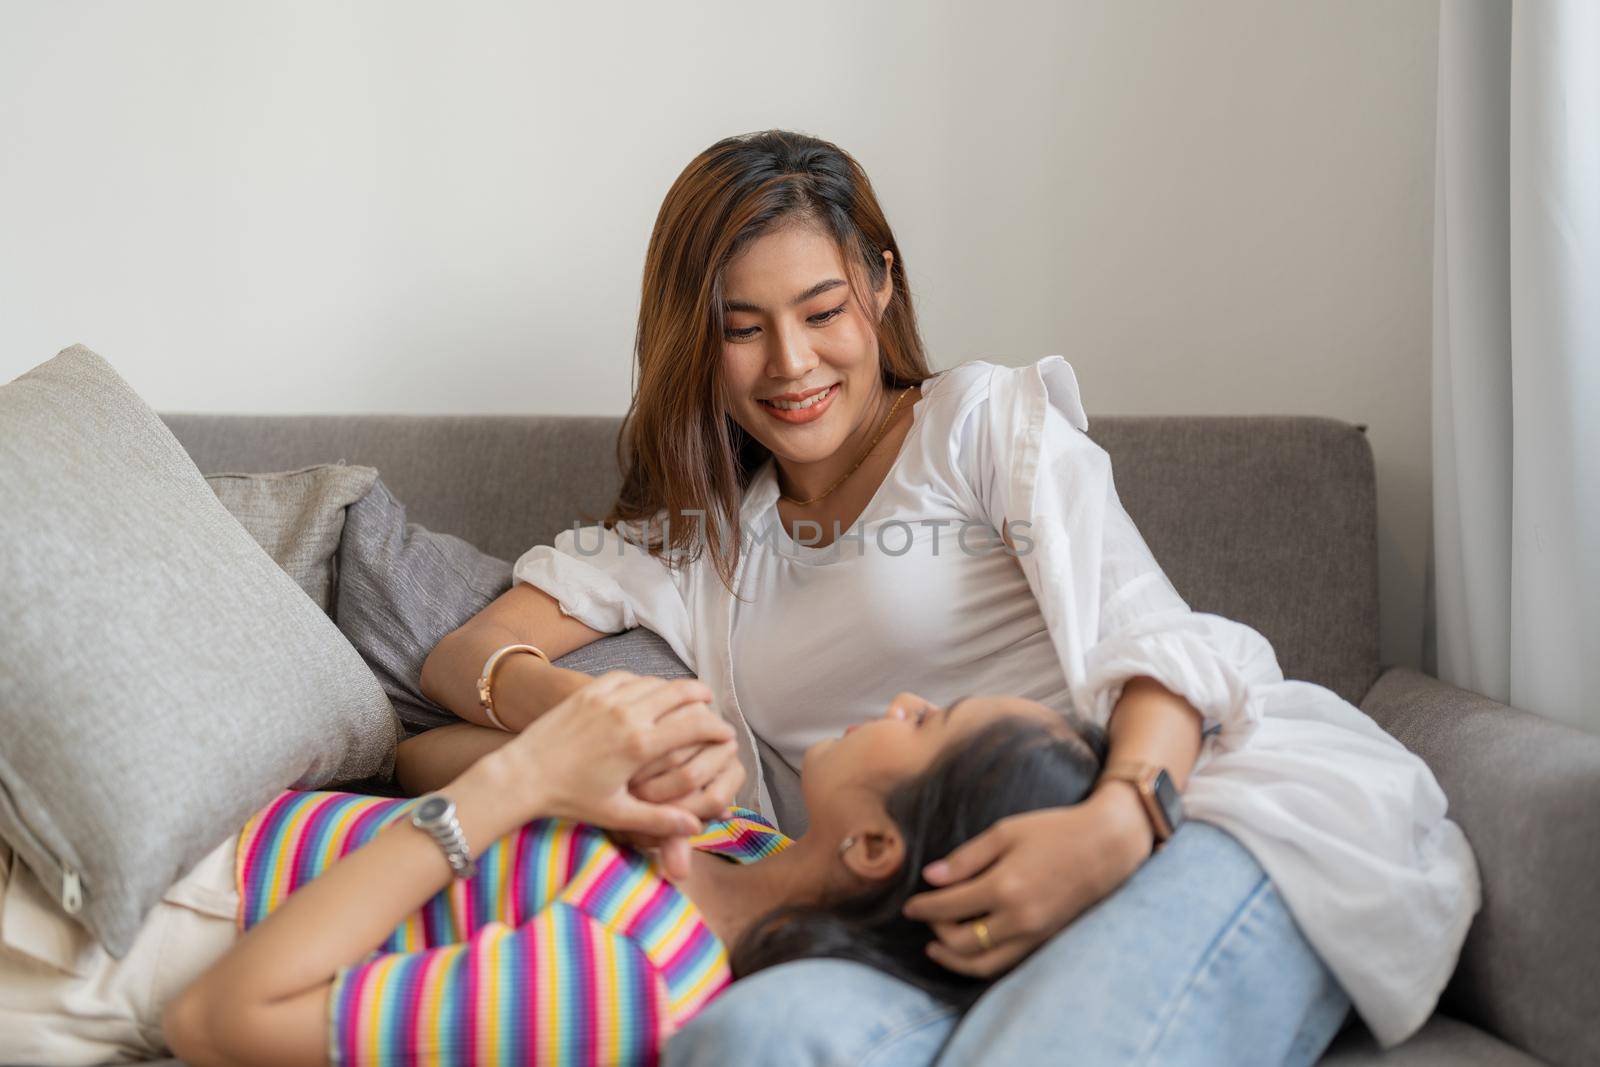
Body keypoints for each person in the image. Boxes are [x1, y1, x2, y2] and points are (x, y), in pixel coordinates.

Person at [412, 129, 1480, 1065]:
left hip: (1193, 806)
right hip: (916, 911)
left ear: (879, 284)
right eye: (742, 327)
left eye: (822, 309)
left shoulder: (978, 425)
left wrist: (1119, 820)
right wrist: (584, 723)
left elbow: (1150, 635)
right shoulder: (696, 538)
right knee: (748, 1040)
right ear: (697, 342)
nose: (792, 363)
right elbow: (462, 658)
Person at [0, 671, 1106, 1065]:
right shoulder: (739, 842)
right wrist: (599, 762)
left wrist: (524, 781)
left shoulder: (636, 982)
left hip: (116, 934)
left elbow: (219, 1020)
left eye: (934, 720)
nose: (906, 698)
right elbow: (414, 758)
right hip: (165, 817)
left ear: (873, 845)